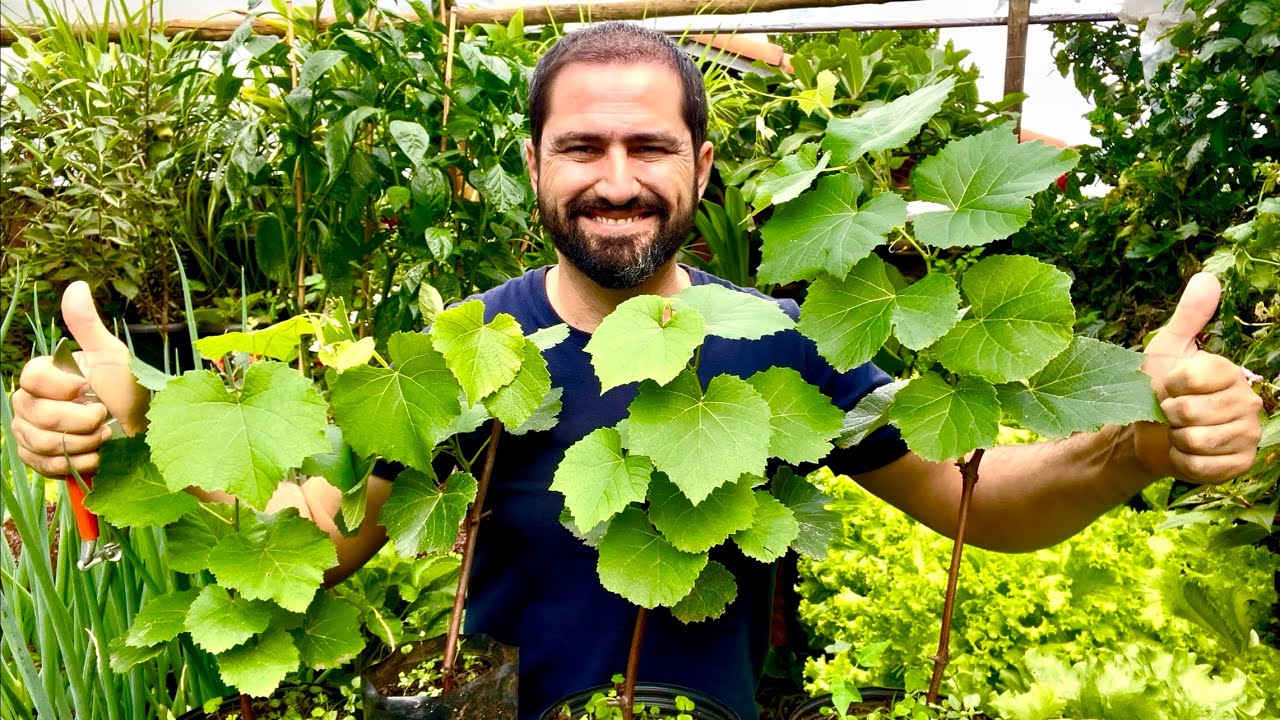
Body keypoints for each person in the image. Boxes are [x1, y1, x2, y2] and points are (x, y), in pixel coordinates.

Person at [11, 22, 1263, 720]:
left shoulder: (782, 340)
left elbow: (977, 505)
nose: (616, 175)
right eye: (582, 145)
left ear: (701, 170)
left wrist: (1133, 443)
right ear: (537, 168)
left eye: (648, 143)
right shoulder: (464, 348)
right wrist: (137, 439)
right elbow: (319, 541)